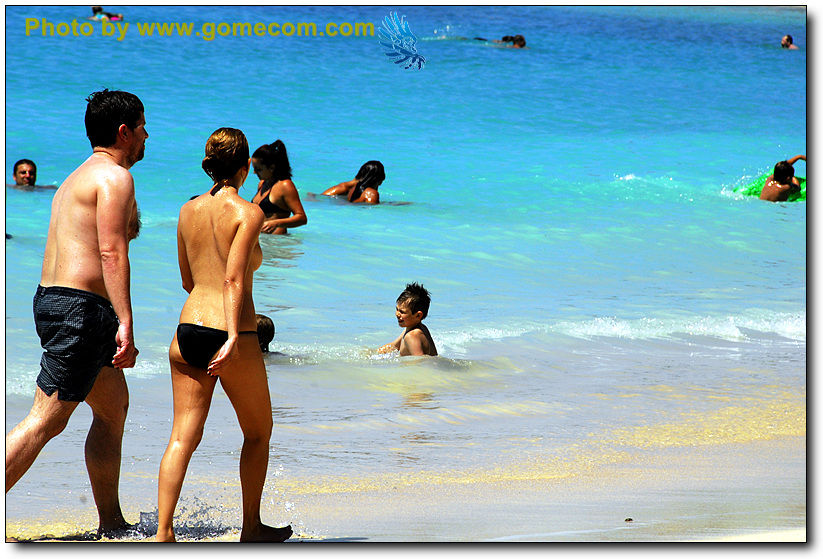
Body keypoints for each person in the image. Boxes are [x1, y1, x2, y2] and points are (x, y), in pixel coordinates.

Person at [5, 89, 146, 537]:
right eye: (142, 126)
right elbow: (111, 251)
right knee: (46, 420)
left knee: (112, 408)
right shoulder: (114, 179)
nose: (147, 135)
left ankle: (111, 523)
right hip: (81, 312)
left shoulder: (74, 179)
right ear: (124, 131)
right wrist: (125, 321)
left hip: (58, 302)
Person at [156, 128, 292, 543]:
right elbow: (234, 279)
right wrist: (233, 335)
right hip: (230, 332)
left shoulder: (187, 210)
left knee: (182, 436)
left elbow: (187, 279)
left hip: (187, 329)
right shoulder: (248, 213)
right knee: (257, 432)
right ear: (246, 165)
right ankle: (250, 526)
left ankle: (163, 534)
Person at [249, 140, 307, 235]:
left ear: (272, 167)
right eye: (254, 169)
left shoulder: (285, 186)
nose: (254, 172)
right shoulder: (262, 184)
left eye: (258, 169)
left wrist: (276, 223)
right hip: (262, 240)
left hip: (277, 243)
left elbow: (302, 218)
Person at [377, 283, 438, 356]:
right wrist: (371, 353)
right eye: (397, 309)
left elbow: (422, 363)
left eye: (402, 312)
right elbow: (394, 346)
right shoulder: (417, 328)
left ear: (418, 315)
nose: (397, 314)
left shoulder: (412, 336)